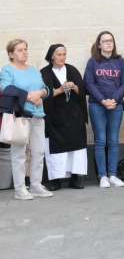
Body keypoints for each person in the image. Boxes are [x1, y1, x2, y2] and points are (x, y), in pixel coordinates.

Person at [0, 39, 51, 200]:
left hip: (38, 115)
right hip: (20, 117)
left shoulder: (34, 70)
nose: (24, 52)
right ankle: (20, 188)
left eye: (26, 49)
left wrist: (41, 94)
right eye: (20, 50)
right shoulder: (7, 70)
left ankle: (36, 185)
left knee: (38, 152)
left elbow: (45, 88)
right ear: (11, 54)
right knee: (19, 154)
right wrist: (29, 96)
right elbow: (6, 88)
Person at [85, 31, 124, 188]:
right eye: (105, 41)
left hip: (115, 105)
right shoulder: (92, 62)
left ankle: (113, 175)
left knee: (113, 141)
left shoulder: (120, 61)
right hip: (97, 105)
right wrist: (103, 101)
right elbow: (89, 83)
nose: (109, 43)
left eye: (111, 40)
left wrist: (114, 99)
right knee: (100, 141)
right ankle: (102, 176)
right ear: (99, 45)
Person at [41, 44, 88, 191]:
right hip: (55, 116)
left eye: (64, 54)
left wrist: (74, 88)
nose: (62, 57)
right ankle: (55, 180)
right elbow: (43, 96)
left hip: (74, 115)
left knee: (76, 149)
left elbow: (83, 91)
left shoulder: (72, 70)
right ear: (52, 56)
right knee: (56, 150)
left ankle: (75, 179)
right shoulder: (44, 73)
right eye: (59, 55)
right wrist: (59, 90)